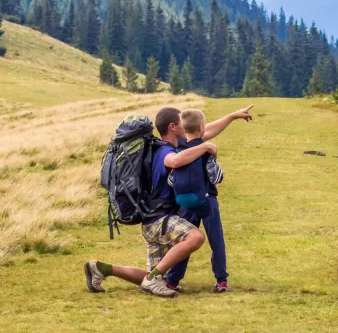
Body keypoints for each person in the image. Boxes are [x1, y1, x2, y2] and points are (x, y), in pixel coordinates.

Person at [83, 104, 253, 297]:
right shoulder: (165, 152)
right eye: (183, 122)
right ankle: (153, 279)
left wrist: (232, 116)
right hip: (161, 220)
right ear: (173, 127)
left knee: (154, 276)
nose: (187, 126)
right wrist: (205, 146)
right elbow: (174, 161)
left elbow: (202, 130)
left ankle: (102, 268)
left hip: (151, 222)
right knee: (195, 237)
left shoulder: (166, 147)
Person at [165, 108, 230, 293]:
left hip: (185, 204)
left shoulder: (180, 151)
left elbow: (171, 180)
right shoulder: (205, 150)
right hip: (208, 202)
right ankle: (221, 279)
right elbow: (216, 178)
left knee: (185, 242)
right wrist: (214, 159)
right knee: (215, 240)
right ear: (201, 127)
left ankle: (173, 280)